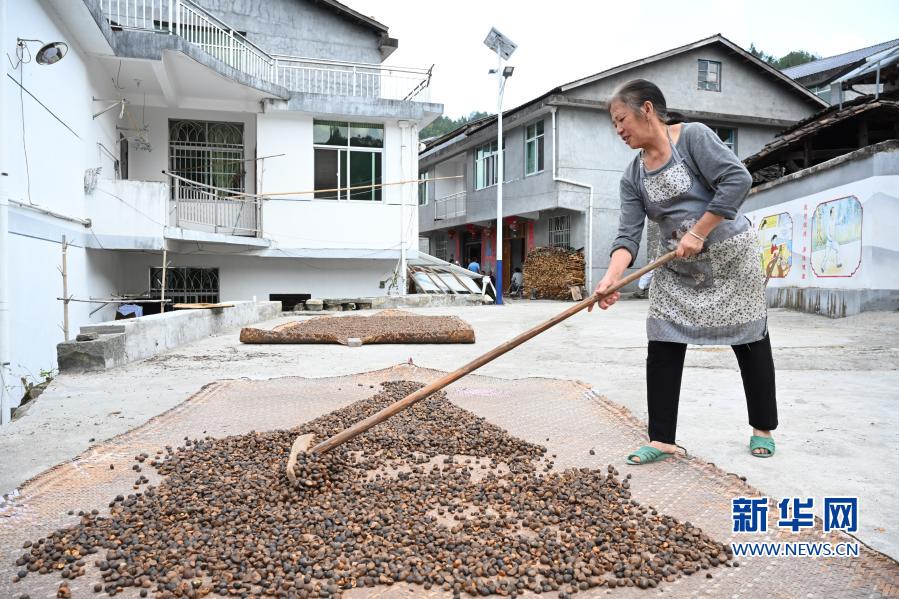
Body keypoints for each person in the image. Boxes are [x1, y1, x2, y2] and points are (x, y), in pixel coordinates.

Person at [589, 79, 777, 464]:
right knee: (662, 338)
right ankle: (661, 439)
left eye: (621, 119)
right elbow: (627, 235)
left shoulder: (692, 139)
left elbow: (738, 179)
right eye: (614, 124)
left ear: (646, 109)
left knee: (749, 337)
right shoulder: (633, 176)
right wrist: (611, 277)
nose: (619, 130)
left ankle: (762, 428)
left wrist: (698, 231)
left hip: (729, 258)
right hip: (678, 268)